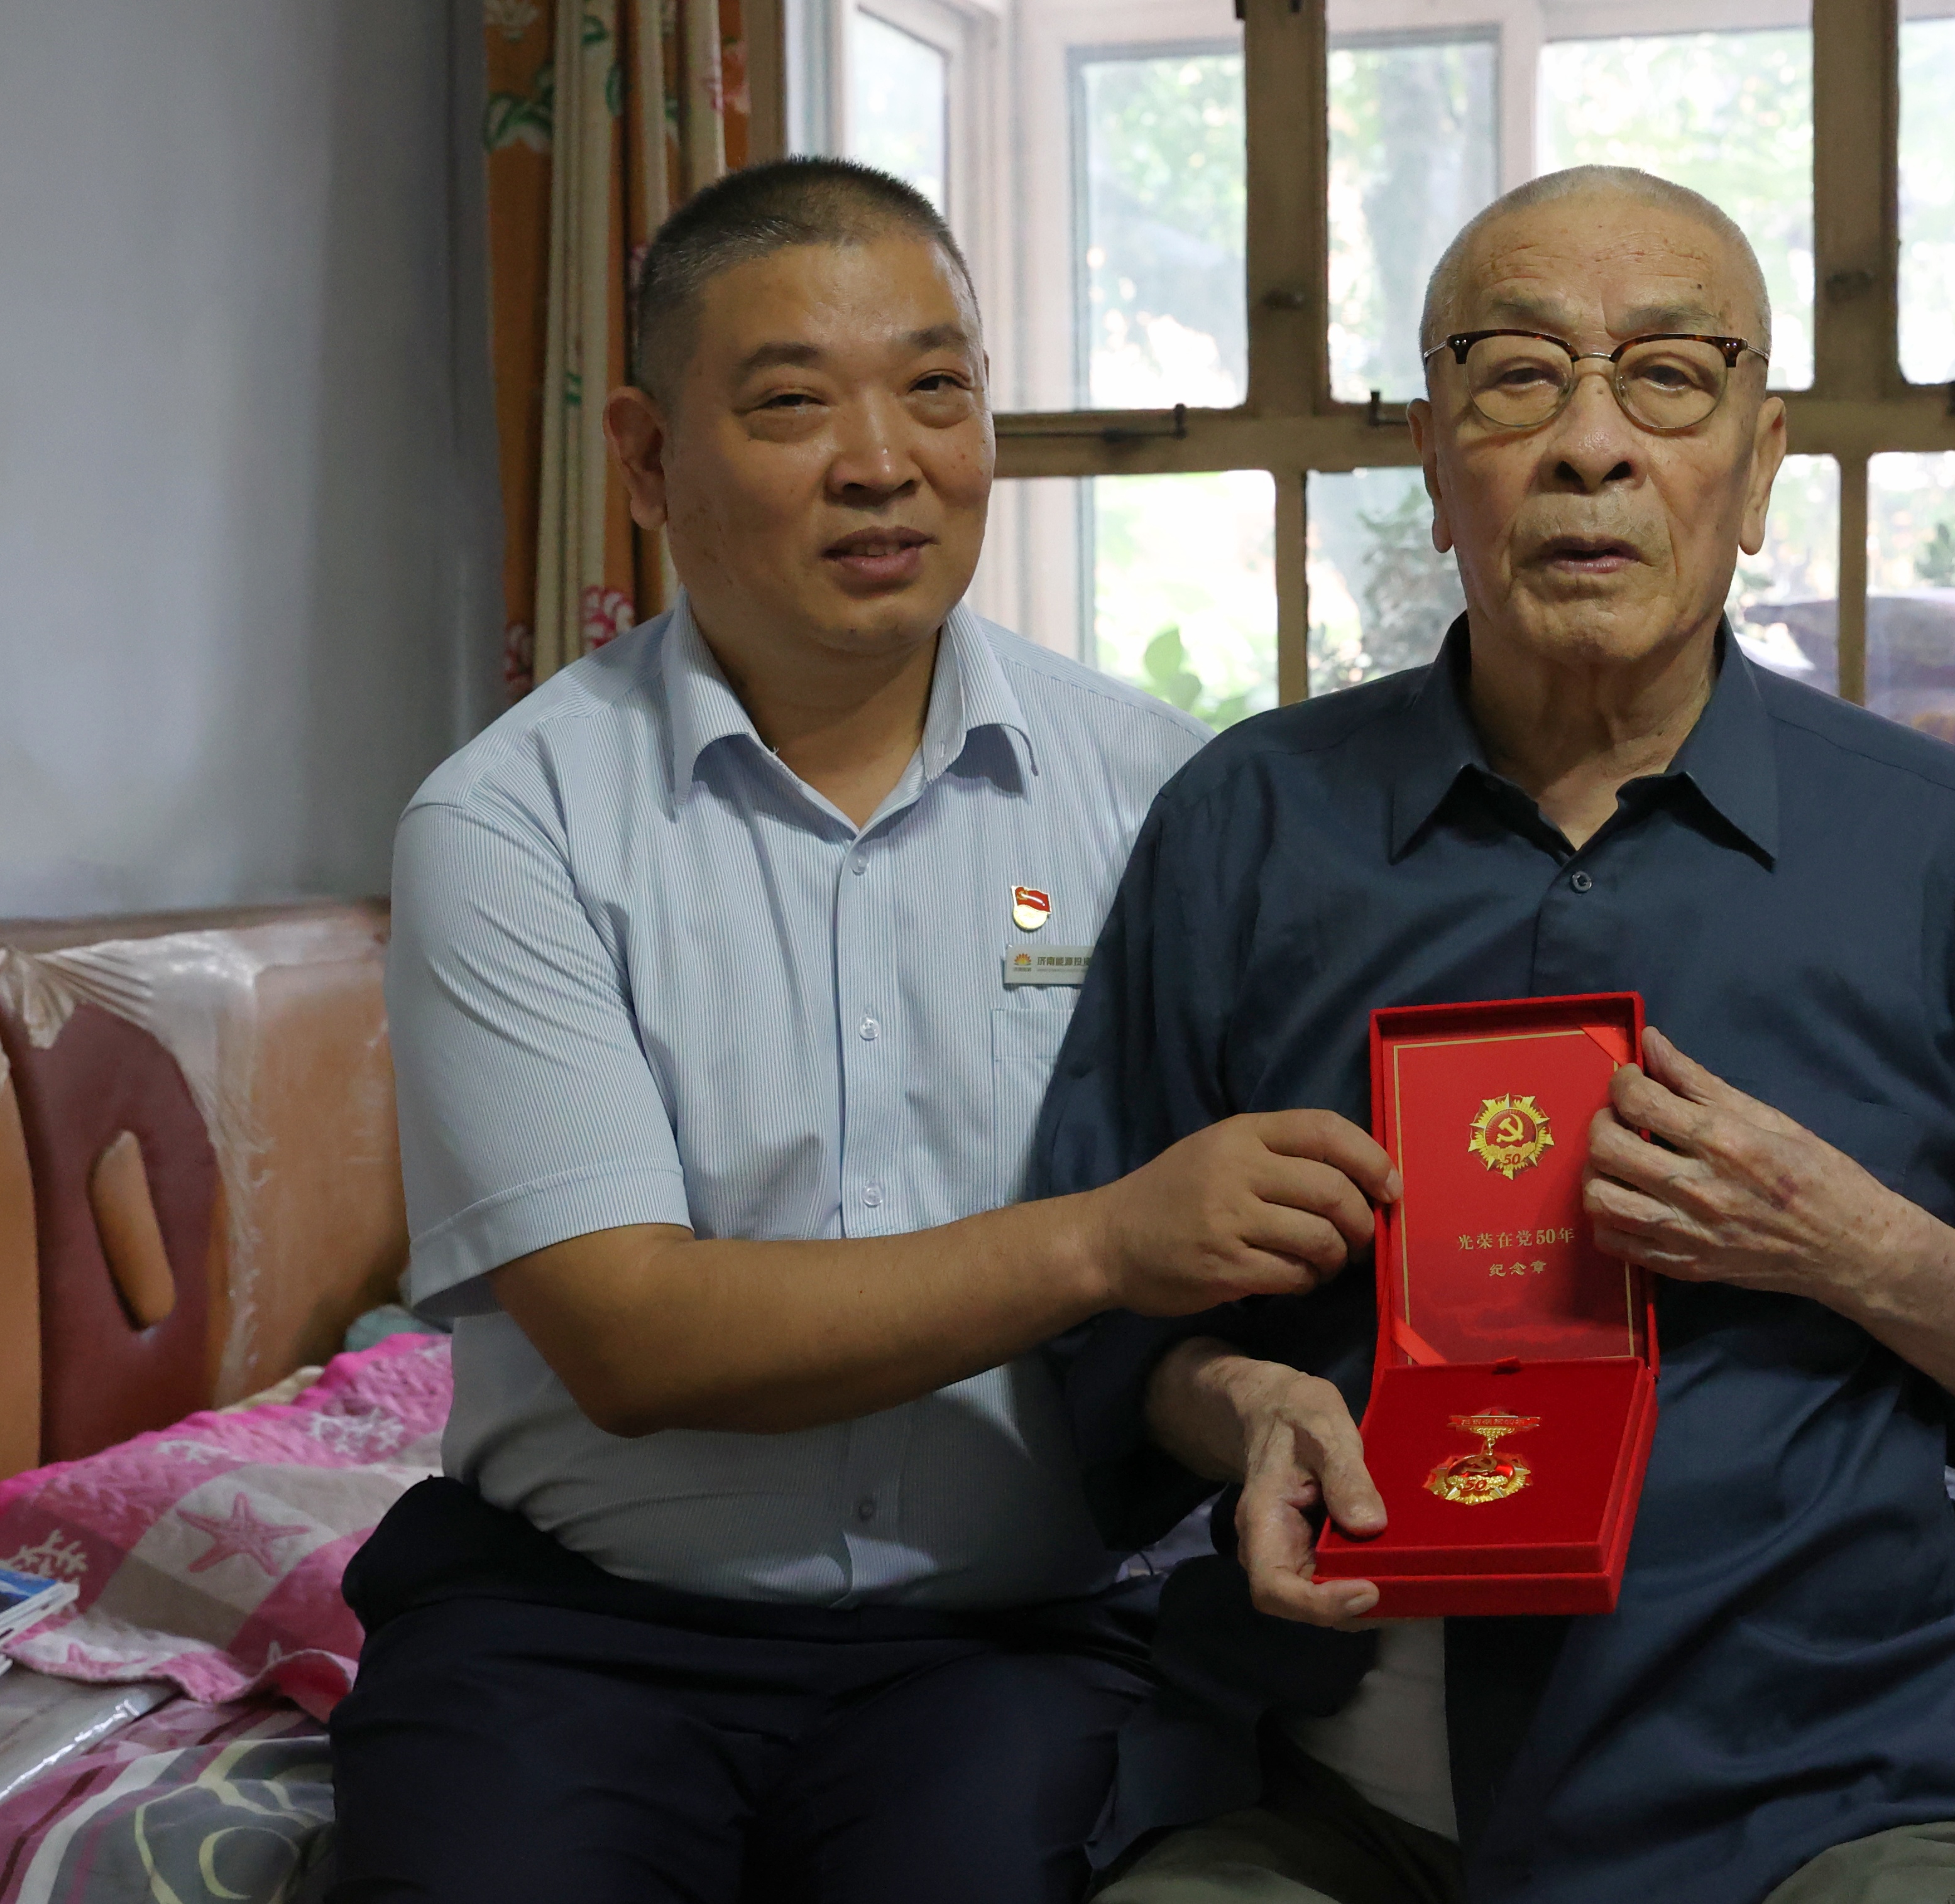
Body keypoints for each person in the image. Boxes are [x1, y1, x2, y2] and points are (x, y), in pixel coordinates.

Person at [1032, 166, 1955, 1904]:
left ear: (1760, 463)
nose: (1591, 448)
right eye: (1518, 377)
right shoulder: (1247, 827)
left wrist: (1860, 1249)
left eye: (1668, 378)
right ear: (1433, 461)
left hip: (1831, 1783)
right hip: (1319, 1787)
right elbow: (1106, 1327)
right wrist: (1243, 1404)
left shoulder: (1948, 853)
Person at [326, 158, 1398, 1904]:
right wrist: (1102, 1242)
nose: (882, 461)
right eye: (792, 404)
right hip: (578, 1634)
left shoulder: (1158, 797)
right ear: (646, 458)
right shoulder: (512, 823)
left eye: (935, 389)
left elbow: (1237, 1270)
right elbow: (633, 1338)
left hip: (1019, 1643)